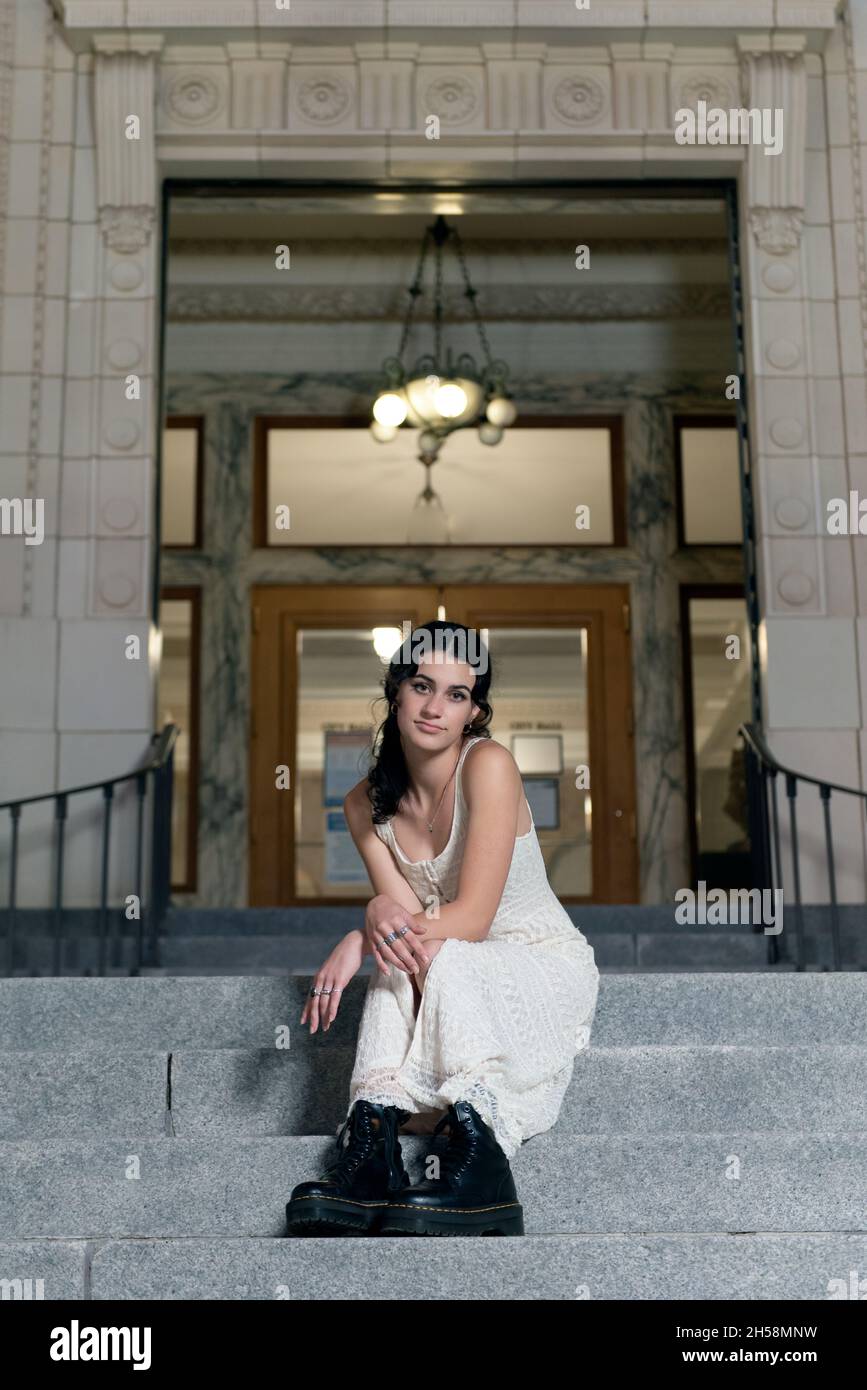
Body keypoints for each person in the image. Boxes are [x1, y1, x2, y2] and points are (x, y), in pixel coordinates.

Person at [285, 621, 600, 1237]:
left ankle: (485, 1167)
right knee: (399, 964)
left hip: (537, 965)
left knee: (425, 951)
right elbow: (406, 930)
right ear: (396, 692)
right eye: (422, 686)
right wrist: (378, 921)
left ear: (474, 712)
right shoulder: (362, 805)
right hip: (448, 968)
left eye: (456, 695)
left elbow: (472, 921)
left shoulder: (489, 766)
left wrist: (362, 933)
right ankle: (371, 1149)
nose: (434, 707)